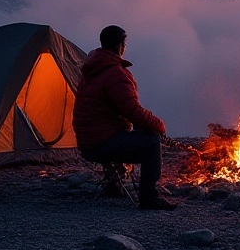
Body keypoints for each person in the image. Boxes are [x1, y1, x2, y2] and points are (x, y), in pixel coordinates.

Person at [73, 25, 177, 210]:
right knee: (151, 141)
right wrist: (159, 125)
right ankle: (149, 197)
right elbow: (131, 110)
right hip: (100, 143)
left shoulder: (93, 69)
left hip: (87, 141)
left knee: (135, 133)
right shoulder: (114, 74)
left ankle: (114, 184)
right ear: (120, 46)